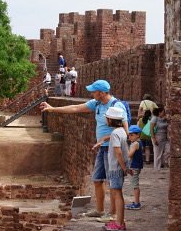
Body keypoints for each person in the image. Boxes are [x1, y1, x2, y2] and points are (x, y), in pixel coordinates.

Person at [38, 79, 129, 222]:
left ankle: (112, 214)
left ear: (102, 93)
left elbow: (125, 131)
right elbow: (75, 108)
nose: (92, 93)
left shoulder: (116, 106)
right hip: (101, 149)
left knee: (112, 183)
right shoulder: (97, 104)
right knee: (98, 180)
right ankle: (99, 210)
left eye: (94, 91)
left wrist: (105, 139)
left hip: (112, 148)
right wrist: (52, 109)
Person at [104, 106, 129, 231]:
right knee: (118, 194)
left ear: (111, 120)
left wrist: (123, 167)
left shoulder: (115, 134)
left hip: (116, 168)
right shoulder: (122, 131)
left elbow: (118, 152)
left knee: (118, 195)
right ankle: (120, 221)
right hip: (119, 167)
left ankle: (119, 223)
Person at [125, 125, 144, 210]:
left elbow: (129, 155)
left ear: (138, 135)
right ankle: (136, 201)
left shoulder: (135, 144)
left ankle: (136, 203)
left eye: (132, 135)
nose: (130, 137)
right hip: (137, 166)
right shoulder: (139, 142)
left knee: (135, 185)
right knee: (134, 185)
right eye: (129, 135)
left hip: (134, 167)